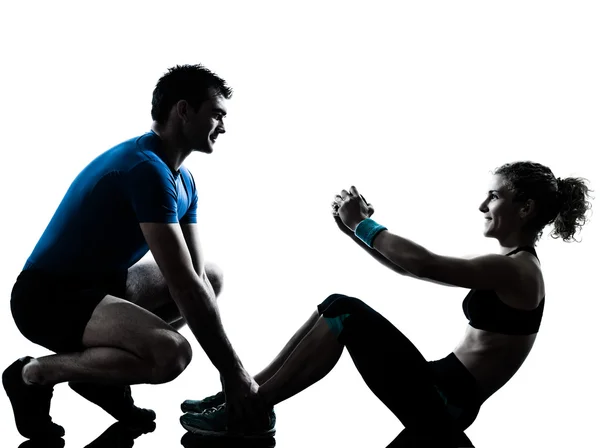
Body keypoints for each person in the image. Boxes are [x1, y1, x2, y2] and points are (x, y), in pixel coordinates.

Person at [180, 162, 593, 446]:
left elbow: (422, 262)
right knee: (337, 303)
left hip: (446, 402)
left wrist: (363, 223)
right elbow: (411, 269)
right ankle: (241, 394)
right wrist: (353, 231)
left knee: (346, 312)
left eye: (494, 196)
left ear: (525, 208)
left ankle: (248, 412)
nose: (483, 206)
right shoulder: (506, 264)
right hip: (439, 387)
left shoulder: (518, 271)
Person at [3, 64, 269, 440]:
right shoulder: (145, 170)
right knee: (170, 355)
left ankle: (96, 379)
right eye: (216, 114)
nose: (223, 126)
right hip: (45, 299)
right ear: (183, 110)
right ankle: (34, 374)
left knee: (211, 276)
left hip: (102, 286)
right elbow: (185, 289)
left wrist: (233, 370)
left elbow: (195, 278)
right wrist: (234, 372)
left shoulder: (183, 179)